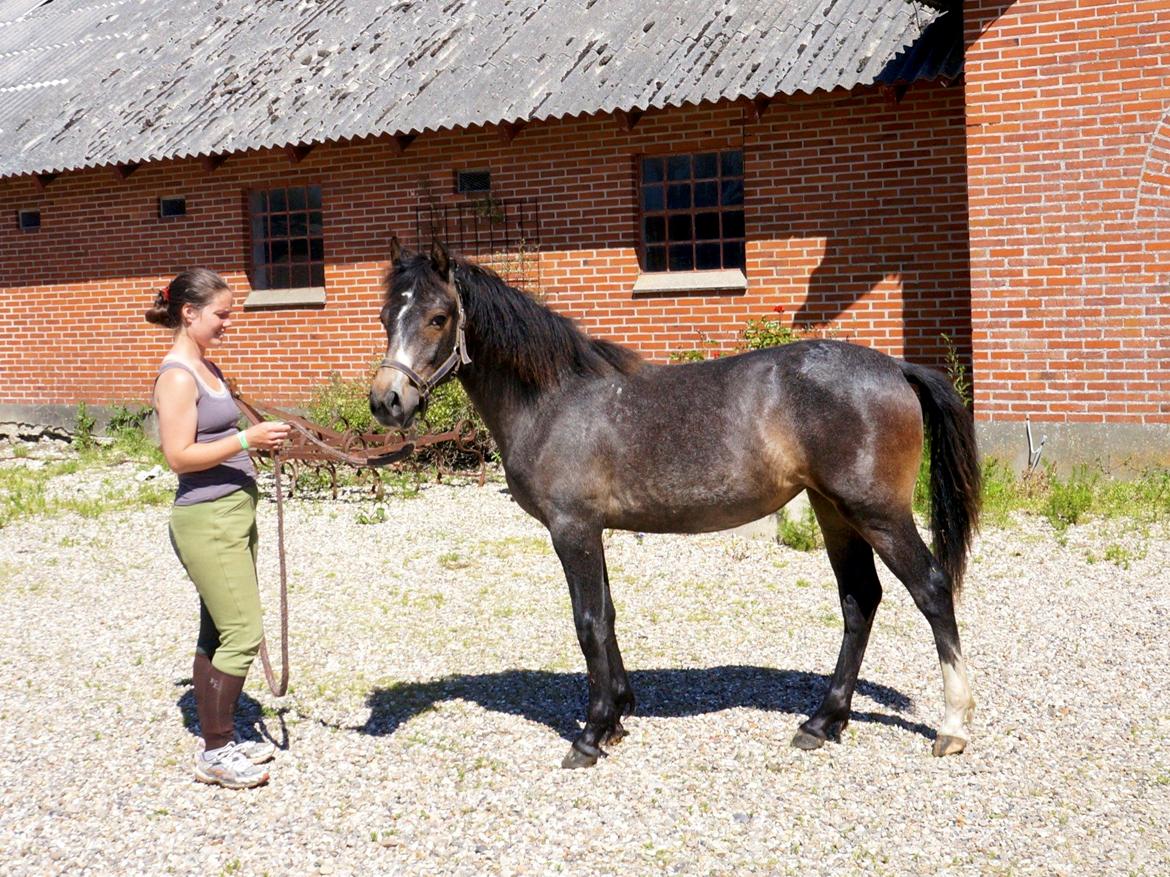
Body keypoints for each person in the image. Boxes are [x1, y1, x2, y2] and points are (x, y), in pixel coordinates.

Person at [146, 269, 290, 789]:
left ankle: (222, 738)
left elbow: (219, 433)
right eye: (221, 315)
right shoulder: (177, 377)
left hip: (233, 511)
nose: (228, 323)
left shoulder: (207, 366)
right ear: (189, 313)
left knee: (218, 629)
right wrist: (247, 441)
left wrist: (255, 440)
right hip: (206, 519)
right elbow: (179, 456)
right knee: (244, 632)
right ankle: (215, 751)